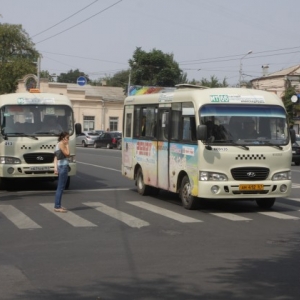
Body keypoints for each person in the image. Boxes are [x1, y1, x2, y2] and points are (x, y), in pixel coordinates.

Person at [54, 132, 70, 213]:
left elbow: (55, 158)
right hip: (63, 167)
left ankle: (58, 205)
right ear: (63, 138)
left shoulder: (58, 144)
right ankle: (57, 206)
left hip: (61, 166)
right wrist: (67, 145)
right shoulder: (61, 144)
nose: (68, 140)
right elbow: (67, 154)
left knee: (60, 187)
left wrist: (55, 168)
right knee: (60, 187)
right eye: (67, 138)